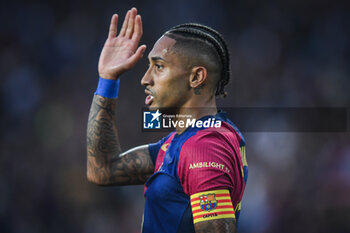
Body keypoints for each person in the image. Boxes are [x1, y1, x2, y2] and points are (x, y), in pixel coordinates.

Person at [87, 7, 248, 233]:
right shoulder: (187, 140)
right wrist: (107, 79)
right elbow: (103, 170)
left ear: (195, 77)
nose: (145, 80)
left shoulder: (204, 148)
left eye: (159, 66)